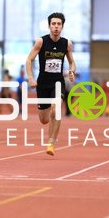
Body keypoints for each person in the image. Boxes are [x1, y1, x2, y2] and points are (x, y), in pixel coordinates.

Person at [25, 12, 76, 156]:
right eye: (53, 24)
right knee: (44, 120)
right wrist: (30, 78)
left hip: (58, 82)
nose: (56, 27)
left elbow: (72, 61)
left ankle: (51, 143)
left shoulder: (67, 44)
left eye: (59, 24)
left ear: (62, 26)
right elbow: (29, 60)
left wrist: (72, 70)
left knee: (56, 109)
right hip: (43, 83)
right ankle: (49, 127)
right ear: (49, 26)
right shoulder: (41, 42)